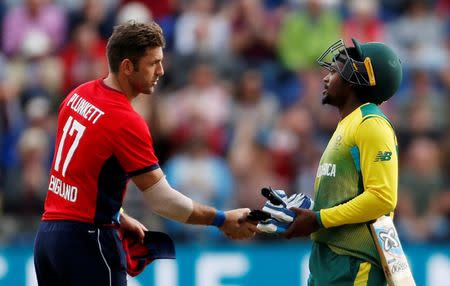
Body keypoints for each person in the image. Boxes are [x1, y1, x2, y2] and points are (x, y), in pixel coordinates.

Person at [33, 21, 256, 286]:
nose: (161, 71)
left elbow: (78, 176)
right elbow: (162, 201)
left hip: (48, 239)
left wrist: (118, 215)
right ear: (127, 66)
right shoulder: (125, 120)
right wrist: (221, 219)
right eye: (153, 63)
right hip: (88, 243)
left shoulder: (78, 95)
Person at [274, 38, 403, 285]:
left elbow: (382, 198)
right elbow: (346, 197)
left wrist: (318, 219)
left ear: (359, 80)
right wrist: (306, 211)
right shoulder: (349, 124)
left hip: (354, 263)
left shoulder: (371, 124)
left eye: (334, 71)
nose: (325, 78)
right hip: (328, 260)